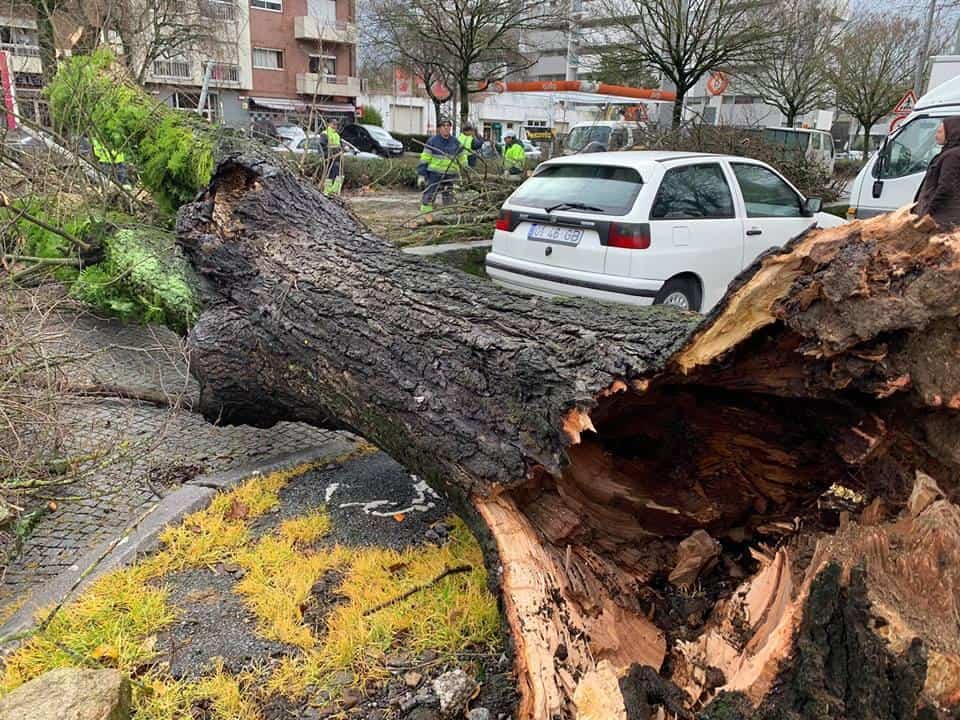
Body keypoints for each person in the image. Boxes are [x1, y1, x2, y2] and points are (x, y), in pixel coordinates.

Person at [914, 117, 960, 228]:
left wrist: (928, 211)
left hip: (942, 220)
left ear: (952, 132)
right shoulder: (949, 153)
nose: (936, 135)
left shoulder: (952, 156)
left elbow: (946, 188)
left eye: (940, 132)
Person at [416, 117, 466, 215]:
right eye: (444, 126)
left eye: (448, 125)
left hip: (450, 174)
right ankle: (425, 212)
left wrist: (465, 169)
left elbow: (462, 157)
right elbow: (425, 158)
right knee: (430, 192)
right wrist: (421, 174)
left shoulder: (455, 142)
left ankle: (448, 214)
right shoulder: (432, 141)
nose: (446, 128)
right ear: (439, 128)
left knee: (449, 195)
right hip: (435, 174)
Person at [322, 119, 343, 196]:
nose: (335, 126)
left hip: (337, 159)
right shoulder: (325, 134)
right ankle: (327, 192)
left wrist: (342, 150)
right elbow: (322, 147)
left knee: (338, 175)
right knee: (330, 176)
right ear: (329, 124)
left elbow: (340, 146)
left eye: (336, 124)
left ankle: (335, 192)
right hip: (329, 159)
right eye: (333, 124)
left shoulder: (337, 135)